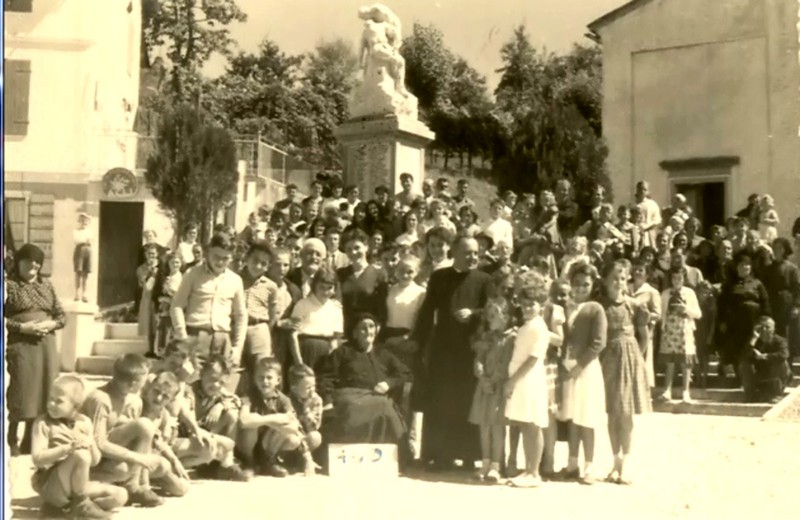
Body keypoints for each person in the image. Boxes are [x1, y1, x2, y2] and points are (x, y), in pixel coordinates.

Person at [413, 236, 492, 471]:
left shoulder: (485, 280)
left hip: (471, 351)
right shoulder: (440, 277)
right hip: (443, 351)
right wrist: (418, 341)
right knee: (441, 401)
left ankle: (469, 456)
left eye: (476, 253)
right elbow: (428, 310)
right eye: (467, 253)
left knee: (468, 402)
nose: (473, 257)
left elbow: (494, 310)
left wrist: (475, 313)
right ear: (454, 252)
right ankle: (440, 455)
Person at [31, 375, 128, 519]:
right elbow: (38, 459)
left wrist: (89, 443)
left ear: (75, 406)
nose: (51, 404)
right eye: (50, 398)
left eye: (58, 401)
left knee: (120, 495)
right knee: (80, 455)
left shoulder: (85, 422)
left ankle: (63, 509)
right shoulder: (43, 423)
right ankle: (79, 506)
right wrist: (67, 448)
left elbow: (94, 461)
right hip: (50, 484)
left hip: (75, 485)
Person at [318, 313, 411, 464]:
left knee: (386, 408)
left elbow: (405, 373)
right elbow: (325, 377)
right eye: (362, 328)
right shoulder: (343, 352)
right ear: (354, 333)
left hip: (378, 397)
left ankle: (392, 460)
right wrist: (327, 400)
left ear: (377, 329)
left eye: (371, 326)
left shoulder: (383, 353)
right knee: (354, 408)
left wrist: (389, 383)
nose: (368, 331)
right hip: (349, 396)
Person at [81, 354, 169, 507]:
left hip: (113, 455)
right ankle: (89, 485)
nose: (147, 382)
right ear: (133, 383)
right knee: (124, 468)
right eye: (145, 379)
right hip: (91, 458)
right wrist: (138, 458)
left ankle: (133, 485)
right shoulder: (101, 399)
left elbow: (138, 439)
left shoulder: (133, 399)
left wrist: (145, 481)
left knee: (160, 465)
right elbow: (99, 443)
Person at [5, 243, 66, 456]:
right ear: (18, 262)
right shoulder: (9, 286)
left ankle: (31, 441)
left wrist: (51, 324)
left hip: (45, 345)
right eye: (28, 260)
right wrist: (23, 327)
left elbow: (61, 316)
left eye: (37, 261)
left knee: (44, 390)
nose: (34, 265)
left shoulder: (47, 286)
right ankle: (11, 438)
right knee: (21, 389)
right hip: (20, 343)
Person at [598, 260, 651, 484]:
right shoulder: (600, 305)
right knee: (612, 412)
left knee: (626, 412)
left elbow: (644, 335)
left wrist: (635, 357)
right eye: (614, 277)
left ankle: (626, 463)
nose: (618, 282)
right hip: (607, 359)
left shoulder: (633, 305)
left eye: (622, 277)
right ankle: (615, 460)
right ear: (605, 280)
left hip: (629, 357)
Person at [558, 262, 607, 485]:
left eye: (585, 284)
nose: (580, 289)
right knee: (572, 418)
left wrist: (579, 366)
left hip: (586, 369)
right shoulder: (566, 307)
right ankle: (572, 463)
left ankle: (590, 466)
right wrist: (565, 364)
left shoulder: (595, 308)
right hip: (568, 368)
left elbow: (598, 343)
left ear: (593, 285)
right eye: (576, 284)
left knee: (586, 418)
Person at [504, 270, 551, 488]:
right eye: (524, 304)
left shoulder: (539, 327)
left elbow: (533, 359)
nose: (528, 307)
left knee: (533, 425)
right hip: (521, 380)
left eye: (532, 304)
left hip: (529, 380)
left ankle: (534, 471)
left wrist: (512, 380)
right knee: (524, 424)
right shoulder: (526, 325)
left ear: (541, 304)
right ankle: (527, 469)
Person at [171, 233, 247, 364]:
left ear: (232, 257)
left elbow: (241, 315)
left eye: (225, 258)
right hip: (196, 336)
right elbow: (176, 306)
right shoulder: (192, 274)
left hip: (222, 338)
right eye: (216, 256)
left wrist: (237, 347)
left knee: (218, 382)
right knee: (192, 379)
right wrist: (183, 337)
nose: (220, 262)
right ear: (208, 252)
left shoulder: (235, 280)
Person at [236, 357, 308, 477]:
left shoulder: (283, 399)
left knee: (293, 438)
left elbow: (294, 425)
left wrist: (261, 420)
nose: (265, 381)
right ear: (255, 379)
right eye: (261, 377)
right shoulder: (248, 395)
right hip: (248, 443)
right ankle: (249, 463)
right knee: (251, 425)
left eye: (269, 377)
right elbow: (244, 421)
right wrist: (273, 419)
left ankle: (268, 461)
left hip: (269, 442)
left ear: (278, 380)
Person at [468, 297, 514, 483]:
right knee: (484, 426)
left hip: (498, 387)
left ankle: (496, 465)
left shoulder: (511, 338)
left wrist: (493, 380)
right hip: (484, 387)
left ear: (505, 316)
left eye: (494, 315)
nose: (490, 319)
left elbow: (506, 364)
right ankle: (485, 462)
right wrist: (480, 373)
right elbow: (479, 358)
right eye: (488, 316)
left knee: (497, 427)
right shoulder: (486, 337)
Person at [716, 250, 771, 385]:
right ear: (736, 267)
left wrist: (765, 318)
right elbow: (722, 304)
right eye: (741, 265)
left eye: (747, 265)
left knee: (752, 348)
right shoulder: (729, 285)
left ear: (751, 267)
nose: (745, 267)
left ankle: (753, 378)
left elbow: (765, 302)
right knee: (736, 349)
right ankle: (738, 378)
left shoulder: (757, 284)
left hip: (754, 322)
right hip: (735, 324)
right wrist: (722, 321)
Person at [659, 268, 702, 403]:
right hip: (670, 330)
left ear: (684, 279)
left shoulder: (689, 293)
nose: (677, 281)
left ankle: (686, 392)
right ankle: (667, 390)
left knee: (685, 362)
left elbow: (698, 314)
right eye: (674, 278)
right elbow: (661, 312)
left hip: (685, 329)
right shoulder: (666, 294)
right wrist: (662, 326)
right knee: (670, 362)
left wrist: (685, 309)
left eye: (679, 278)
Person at [289, 266, 343, 373]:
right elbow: (293, 335)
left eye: (329, 288)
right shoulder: (302, 304)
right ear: (314, 286)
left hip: (325, 353)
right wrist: (298, 361)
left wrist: (331, 360)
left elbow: (335, 339)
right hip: (305, 350)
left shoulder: (336, 308)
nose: (325, 292)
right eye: (321, 287)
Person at [338, 229, 389, 336]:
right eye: (349, 249)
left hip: (368, 331)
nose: (353, 252)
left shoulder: (379, 274)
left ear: (366, 247)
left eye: (357, 248)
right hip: (346, 329)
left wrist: (377, 328)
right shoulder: (340, 274)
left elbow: (382, 307)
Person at [763, 238, 800, 362]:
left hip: (787, 306)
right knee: (774, 335)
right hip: (772, 305)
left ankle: (787, 368)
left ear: (784, 250)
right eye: (774, 247)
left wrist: (796, 306)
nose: (776, 250)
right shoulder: (768, 268)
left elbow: (797, 288)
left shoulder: (792, 268)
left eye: (779, 248)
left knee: (787, 337)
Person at [739, 317, 790, 402]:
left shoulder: (780, 340)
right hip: (760, 372)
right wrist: (754, 338)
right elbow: (744, 356)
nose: (765, 330)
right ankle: (751, 394)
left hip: (776, 374)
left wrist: (764, 356)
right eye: (762, 327)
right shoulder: (755, 341)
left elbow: (784, 354)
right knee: (744, 364)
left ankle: (776, 394)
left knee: (783, 362)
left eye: (768, 327)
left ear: (773, 329)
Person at [629, 258, 662, 390]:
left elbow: (658, 314)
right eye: (635, 269)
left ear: (647, 274)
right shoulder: (626, 288)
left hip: (644, 330)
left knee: (641, 359)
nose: (637, 272)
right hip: (628, 329)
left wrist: (645, 315)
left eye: (641, 270)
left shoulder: (652, 292)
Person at [287, 365, 324, 476]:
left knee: (315, 436)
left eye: (314, 386)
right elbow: (295, 428)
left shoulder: (316, 400)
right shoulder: (287, 400)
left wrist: (307, 410)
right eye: (308, 387)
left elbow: (314, 426)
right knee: (292, 438)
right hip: (292, 436)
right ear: (294, 388)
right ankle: (290, 460)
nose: (312, 390)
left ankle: (300, 461)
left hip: (305, 437)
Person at [151, 253, 183, 358]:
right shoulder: (166, 278)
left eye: (177, 262)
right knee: (164, 332)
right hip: (165, 310)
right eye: (172, 262)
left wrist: (168, 299)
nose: (175, 264)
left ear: (181, 263)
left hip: (176, 309)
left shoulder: (183, 279)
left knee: (174, 332)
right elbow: (157, 294)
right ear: (168, 263)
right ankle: (163, 354)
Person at [137, 244, 160, 355]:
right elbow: (144, 285)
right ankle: (151, 350)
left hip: (160, 297)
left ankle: (159, 349)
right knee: (150, 324)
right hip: (148, 297)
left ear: (157, 254)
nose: (151, 256)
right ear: (145, 255)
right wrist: (151, 273)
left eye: (153, 254)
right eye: (149, 254)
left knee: (159, 323)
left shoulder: (162, 266)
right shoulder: (141, 269)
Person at [635, 181, 662, 249]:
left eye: (644, 189)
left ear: (647, 192)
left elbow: (657, 220)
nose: (642, 191)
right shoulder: (632, 204)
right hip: (635, 232)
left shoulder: (652, 204)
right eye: (640, 189)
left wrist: (646, 227)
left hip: (649, 232)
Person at [73, 212, 92, 302]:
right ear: (79, 221)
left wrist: (85, 240)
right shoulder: (76, 231)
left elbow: (91, 239)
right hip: (79, 250)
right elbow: (77, 240)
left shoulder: (90, 231)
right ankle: (77, 293)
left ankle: (84, 294)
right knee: (78, 272)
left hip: (88, 250)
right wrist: (84, 240)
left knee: (86, 273)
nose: (84, 222)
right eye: (82, 220)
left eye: (85, 220)